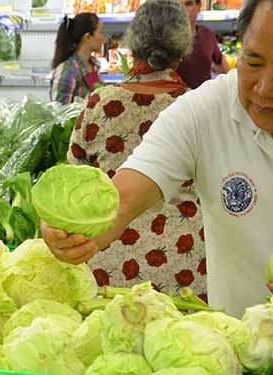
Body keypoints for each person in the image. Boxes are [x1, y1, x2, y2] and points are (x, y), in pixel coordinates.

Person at [42, 0, 273, 318]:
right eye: (253, 62)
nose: (265, 88)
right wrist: (74, 229)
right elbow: (123, 199)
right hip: (238, 354)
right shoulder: (203, 111)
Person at [66, 0, 207, 297]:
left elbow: (74, 181)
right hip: (184, 268)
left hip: (107, 266)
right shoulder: (197, 106)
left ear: (132, 45)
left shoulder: (99, 102)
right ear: (183, 50)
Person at [51, 13, 106, 104]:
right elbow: (60, 113)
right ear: (88, 37)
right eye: (101, 32)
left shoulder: (93, 66)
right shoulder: (68, 70)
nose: (104, 39)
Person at [176, 0, 229, 88]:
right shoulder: (165, 39)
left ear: (199, 6)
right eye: (177, 5)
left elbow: (219, 61)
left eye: (188, 4)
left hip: (204, 99)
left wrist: (230, 87)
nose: (183, 10)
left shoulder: (207, 34)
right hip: (175, 99)